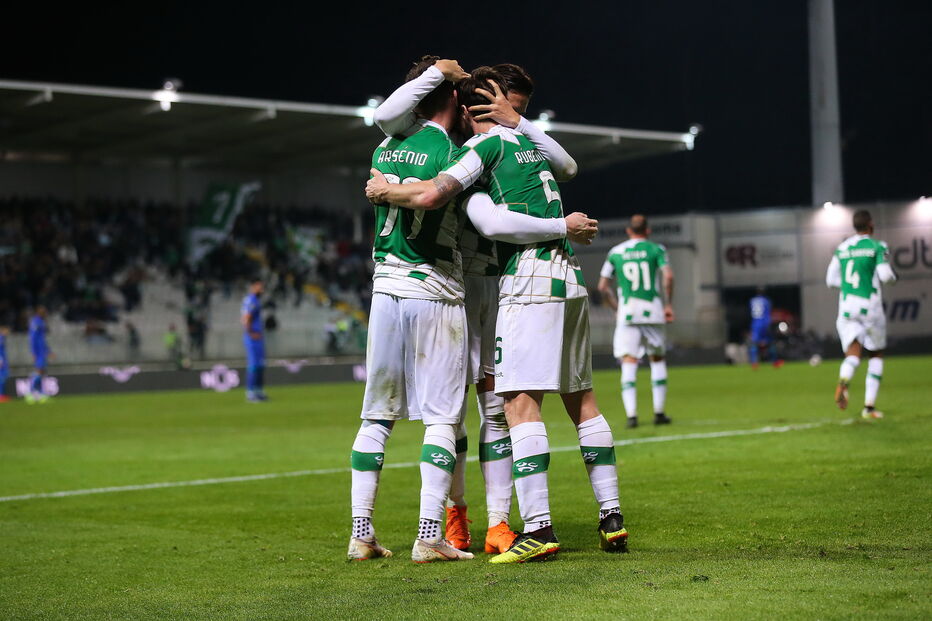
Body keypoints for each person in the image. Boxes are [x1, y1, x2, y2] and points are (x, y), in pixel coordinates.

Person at [366, 67, 623, 564]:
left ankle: (512, 523)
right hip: (511, 281)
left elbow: (448, 201)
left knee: (500, 406)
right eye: (511, 107)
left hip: (506, 282)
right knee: (491, 406)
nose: (517, 117)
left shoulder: (484, 150)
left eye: (523, 111)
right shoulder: (495, 145)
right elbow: (566, 166)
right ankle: (466, 515)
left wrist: (384, 191)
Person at [597, 215, 674, 428]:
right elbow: (668, 276)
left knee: (628, 361)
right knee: (657, 359)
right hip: (653, 311)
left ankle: (632, 416)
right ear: (647, 231)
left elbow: (603, 286)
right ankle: (659, 413)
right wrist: (668, 304)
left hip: (628, 312)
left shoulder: (616, 252)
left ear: (628, 231)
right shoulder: (656, 249)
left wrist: (616, 307)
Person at [825, 209, 896, 419]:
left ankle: (844, 381)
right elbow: (885, 276)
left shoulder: (842, 248)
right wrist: (894, 278)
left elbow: (830, 280)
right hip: (869, 306)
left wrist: (848, 286)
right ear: (871, 225)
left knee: (853, 353)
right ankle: (869, 407)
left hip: (846, 306)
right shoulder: (877, 246)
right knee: (875, 353)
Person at [241, 279, 267, 402]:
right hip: (253, 338)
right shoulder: (251, 300)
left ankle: (258, 391)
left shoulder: (254, 300)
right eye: (260, 286)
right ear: (253, 286)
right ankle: (250, 393)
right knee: (254, 365)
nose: (262, 289)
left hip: (257, 337)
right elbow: (246, 318)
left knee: (260, 365)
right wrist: (250, 333)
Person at [748, 287, 781, 369]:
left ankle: (754, 363)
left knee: (754, 343)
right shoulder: (766, 301)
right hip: (764, 323)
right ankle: (775, 362)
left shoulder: (752, 301)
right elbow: (767, 314)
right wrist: (769, 325)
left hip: (755, 324)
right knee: (770, 343)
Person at [27, 306, 52, 404]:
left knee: (42, 372)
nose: (45, 314)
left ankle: (40, 394)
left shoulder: (41, 322)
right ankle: (30, 392)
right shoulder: (35, 322)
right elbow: (32, 338)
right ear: (39, 312)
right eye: (44, 312)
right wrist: (34, 352)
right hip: (38, 352)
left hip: (42, 351)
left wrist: (48, 351)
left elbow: (42, 339)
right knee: (39, 371)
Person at [0, 326, 10, 403]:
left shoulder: (2, 338)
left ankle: (2, 394)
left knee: (4, 377)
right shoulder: (1, 338)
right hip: (2, 360)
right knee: (2, 377)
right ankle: (1, 395)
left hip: (4, 360)